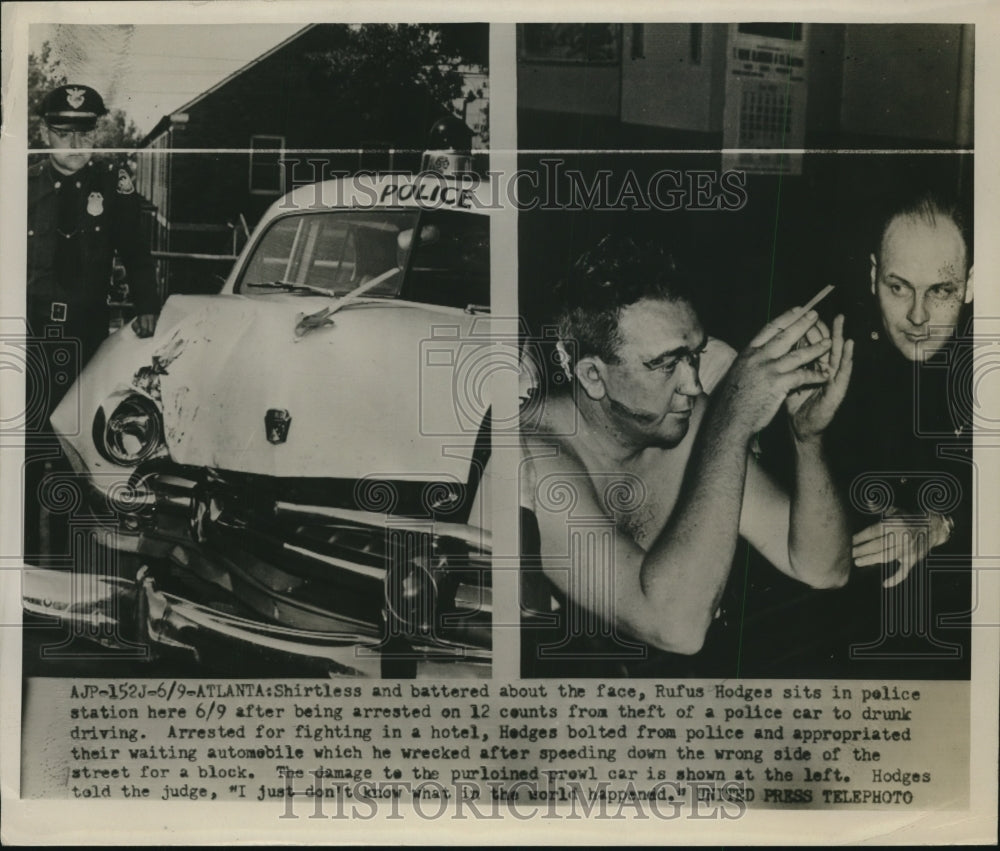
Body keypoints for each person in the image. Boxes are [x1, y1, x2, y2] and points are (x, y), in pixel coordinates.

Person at [519, 236, 854, 676]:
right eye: (665, 364)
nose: (694, 385)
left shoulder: (685, 419)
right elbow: (677, 628)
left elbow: (823, 566)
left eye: (694, 357)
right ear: (592, 376)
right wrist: (732, 422)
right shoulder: (531, 458)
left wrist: (807, 438)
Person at [819, 191, 974, 677]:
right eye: (899, 287)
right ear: (873, 277)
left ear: (971, 285)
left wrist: (937, 522)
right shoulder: (843, 347)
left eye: (941, 291)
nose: (918, 317)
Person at [25, 83, 161, 560]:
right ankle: (19, 570)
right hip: (29, 338)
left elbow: (137, 254)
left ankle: (63, 569)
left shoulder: (111, 185)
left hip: (85, 339)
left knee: (74, 454)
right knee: (24, 453)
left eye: (85, 133)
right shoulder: (22, 185)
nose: (75, 145)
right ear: (44, 133)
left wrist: (147, 306)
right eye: (63, 133)